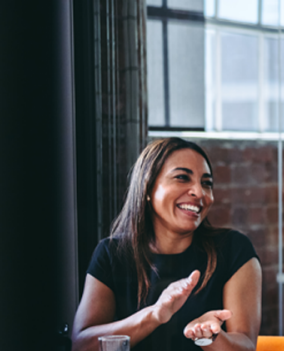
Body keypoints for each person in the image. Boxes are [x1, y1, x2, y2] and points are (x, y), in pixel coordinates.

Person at [72, 137, 262, 351]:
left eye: (206, 183)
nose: (199, 193)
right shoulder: (112, 254)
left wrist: (208, 336)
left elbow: (246, 347)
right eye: (182, 178)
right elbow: (81, 346)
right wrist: (154, 314)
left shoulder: (234, 249)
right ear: (147, 188)